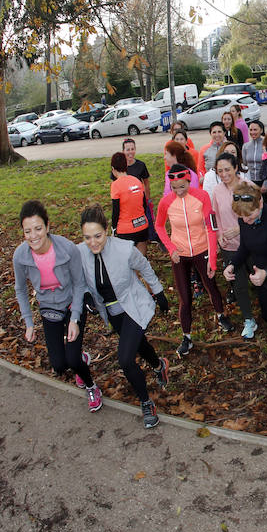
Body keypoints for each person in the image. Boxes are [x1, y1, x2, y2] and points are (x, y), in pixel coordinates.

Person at [77, 205, 170, 429]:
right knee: (139, 346)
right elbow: (80, 280)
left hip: (133, 307)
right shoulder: (79, 252)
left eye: (97, 236)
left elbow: (145, 267)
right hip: (112, 313)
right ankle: (159, 365)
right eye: (87, 237)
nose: (93, 242)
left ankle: (147, 404)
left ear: (107, 230)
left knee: (126, 359)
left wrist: (158, 292)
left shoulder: (125, 249)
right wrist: (87, 295)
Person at [13, 200, 100, 413]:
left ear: (47, 227)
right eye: (27, 231)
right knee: (60, 366)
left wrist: (74, 318)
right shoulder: (20, 256)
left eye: (38, 228)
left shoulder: (67, 249)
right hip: (48, 308)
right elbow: (20, 290)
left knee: (72, 359)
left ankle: (91, 386)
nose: (33, 236)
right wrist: (29, 322)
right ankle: (80, 358)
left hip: (71, 303)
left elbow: (80, 284)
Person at [155, 164, 235, 357]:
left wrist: (212, 260)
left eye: (182, 187)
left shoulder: (202, 197)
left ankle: (220, 315)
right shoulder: (166, 202)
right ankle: (186, 336)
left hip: (201, 249)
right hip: (179, 254)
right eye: (174, 188)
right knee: (184, 296)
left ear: (189, 182)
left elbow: (211, 228)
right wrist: (171, 248)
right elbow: (158, 226)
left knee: (211, 285)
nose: (178, 191)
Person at [224, 182, 267, 398]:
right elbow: (245, 246)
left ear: (260, 202)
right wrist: (232, 264)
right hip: (260, 277)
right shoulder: (244, 217)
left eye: (251, 215)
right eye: (243, 218)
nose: (247, 220)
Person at [209, 153, 258, 339]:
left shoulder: (248, 187)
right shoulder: (217, 191)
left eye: (227, 169)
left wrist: (239, 228)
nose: (224, 174)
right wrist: (220, 235)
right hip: (229, 247)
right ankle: (248, 319)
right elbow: (216, 217)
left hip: (251, 242)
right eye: (220, 171)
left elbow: (257, 214)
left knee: (259, 278)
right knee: (239, 285)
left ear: (236, 168)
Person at [110, 151, 149, 256]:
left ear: (113, 169)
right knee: (142, 260)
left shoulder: (115, 185)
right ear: (126, 165)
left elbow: (116, 210)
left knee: (128, 262)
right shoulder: (137, 181)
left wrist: (114, 229)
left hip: (126, 231)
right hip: (142, 225)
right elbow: (144, 204)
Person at [243, 120, 267, 188]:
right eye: (251, 130)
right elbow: (244, 164)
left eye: (255, 130)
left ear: (261, 130)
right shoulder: (245, 146)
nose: (252, 132)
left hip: (264, 181)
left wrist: (265, 184)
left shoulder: (266, 144)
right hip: (250, 181)